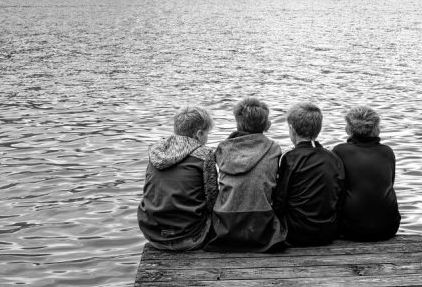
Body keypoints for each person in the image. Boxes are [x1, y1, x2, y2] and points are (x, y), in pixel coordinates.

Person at [205, 97, 286, 252]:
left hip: (225, 223)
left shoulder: (222, 149)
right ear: (266, 124)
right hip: (260, 225)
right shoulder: (273, 148)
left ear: (238, 123)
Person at [137, 106, 218, 251]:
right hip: (190, 237)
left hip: (153, 235)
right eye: (207, 133)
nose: (207, 137)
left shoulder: (156, 152)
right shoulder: (205, 156)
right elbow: (212, 199)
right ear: (199, 134)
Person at [273, 102, 344, 246]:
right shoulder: (333, 158)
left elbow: (280, 200)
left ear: (292, 130)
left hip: (296, 234)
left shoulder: (290, 158)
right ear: (318, 129)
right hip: (327, 232)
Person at [332, 105, 401, 241]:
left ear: (349, 129)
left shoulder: (339, 151)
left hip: (350, 229)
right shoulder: (387, 152)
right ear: (376, 129)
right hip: (388, 228)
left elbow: (335, 190)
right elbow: (389, 184)